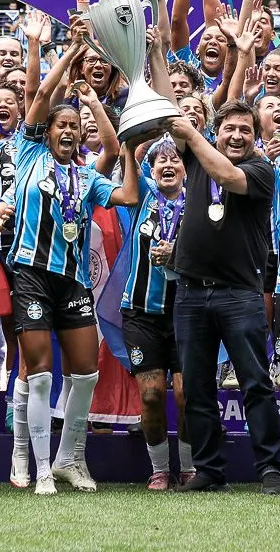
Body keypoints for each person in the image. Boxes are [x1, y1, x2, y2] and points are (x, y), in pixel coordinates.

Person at [3, 19, 122, 494]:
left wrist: (92, 102)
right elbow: (38, 100)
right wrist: (68, 54)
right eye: (63, 125)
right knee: (37, 376)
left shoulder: (87, 176)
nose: (70, 130)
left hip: (73, 280)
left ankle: (69, 459)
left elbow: (112, 148)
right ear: (47, 132)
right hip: (32, 273)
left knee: (86, 373)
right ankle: (35, 466)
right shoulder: (30, 154)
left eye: (75, 126)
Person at [167, 103, 280, 493]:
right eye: (229, 129)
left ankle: (269, 467)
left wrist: (194, 134)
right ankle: (208, 470)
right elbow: (173, 114)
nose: (236, 136)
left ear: (256, 137)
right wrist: (156, 51)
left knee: (255, 384)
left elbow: (227, 175)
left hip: (240, 295)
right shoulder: (198, 155)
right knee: (197, 386)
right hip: (190, 292)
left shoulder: (260, 170)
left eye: (245, 131)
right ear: (217, 131)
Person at [112, 135, 192, 490]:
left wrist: (178, 253)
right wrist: (143, 134)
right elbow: (128, 152)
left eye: (176, 159)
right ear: (152, 169)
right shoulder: (141, 195)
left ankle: (188, 467)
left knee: (186, 395)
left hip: (188, 313)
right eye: (162, 160)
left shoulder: (204, 202)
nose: (169, 165)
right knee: (152, 395)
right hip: (141, 313)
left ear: (187, 170)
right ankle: (160, 468)